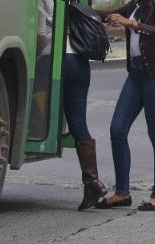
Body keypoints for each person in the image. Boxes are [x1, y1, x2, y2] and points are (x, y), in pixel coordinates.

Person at [95, 0, 155, 211]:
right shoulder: (137, 3)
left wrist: (131, 23)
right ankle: (122, 192)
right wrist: (79, 9)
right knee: (117, 130)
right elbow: (111, 15)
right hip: (136, 75)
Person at [63, 35, 106, 210]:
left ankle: (93, 184)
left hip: (59, 59)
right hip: (80, 63)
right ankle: (92, 183)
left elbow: (42, 34)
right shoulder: (73, 6)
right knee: (78, 124)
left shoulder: (46, 5)